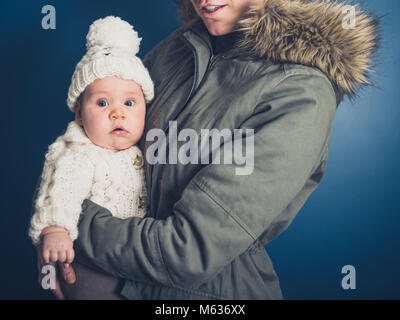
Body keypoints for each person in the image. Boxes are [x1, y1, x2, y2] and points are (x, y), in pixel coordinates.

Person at [43, 0, 379, 300]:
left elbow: (186, 251)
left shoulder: (301, 92)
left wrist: (65, 224)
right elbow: (92, 145)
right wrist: (54, 233)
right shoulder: (175, 50)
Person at [31, 16, 154, 299]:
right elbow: (61, 190)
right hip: (90, 267)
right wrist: (55, 230)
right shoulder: (80, 153)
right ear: (79, 116)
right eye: (102, 103)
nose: (117, 112)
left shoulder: (141, 152)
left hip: (131, 267)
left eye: (129, 103)